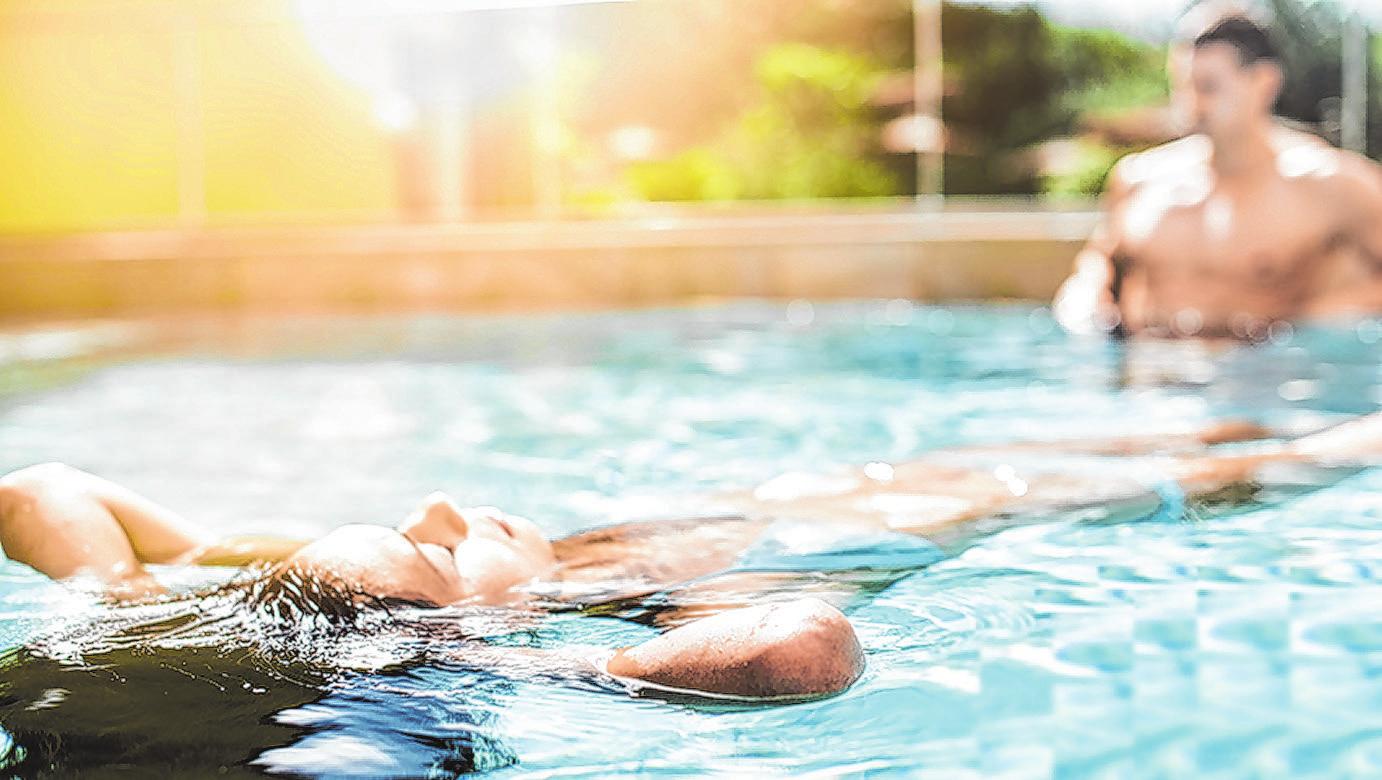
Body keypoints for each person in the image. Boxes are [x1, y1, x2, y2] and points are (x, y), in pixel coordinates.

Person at [1, 413, 1377, 690]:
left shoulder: (315, 583)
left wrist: (100, 596)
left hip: (811, 469)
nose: (436, 504)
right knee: (1240, 458)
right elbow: (801, 645)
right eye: (431, 549)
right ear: (474, 620)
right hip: (980, 500)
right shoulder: (636, 601)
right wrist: (547, 671)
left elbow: (44, 482)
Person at [1053, 11, 1382, 339]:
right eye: (1181, 86)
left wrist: (1301, 324)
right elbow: (1097, 266)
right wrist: (1085, 304)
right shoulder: (1138, 179)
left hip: (1266, 380)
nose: (1190, 103)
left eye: (1207, 87)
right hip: (1151, 378)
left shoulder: (1333, 184)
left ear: (1264, 83)